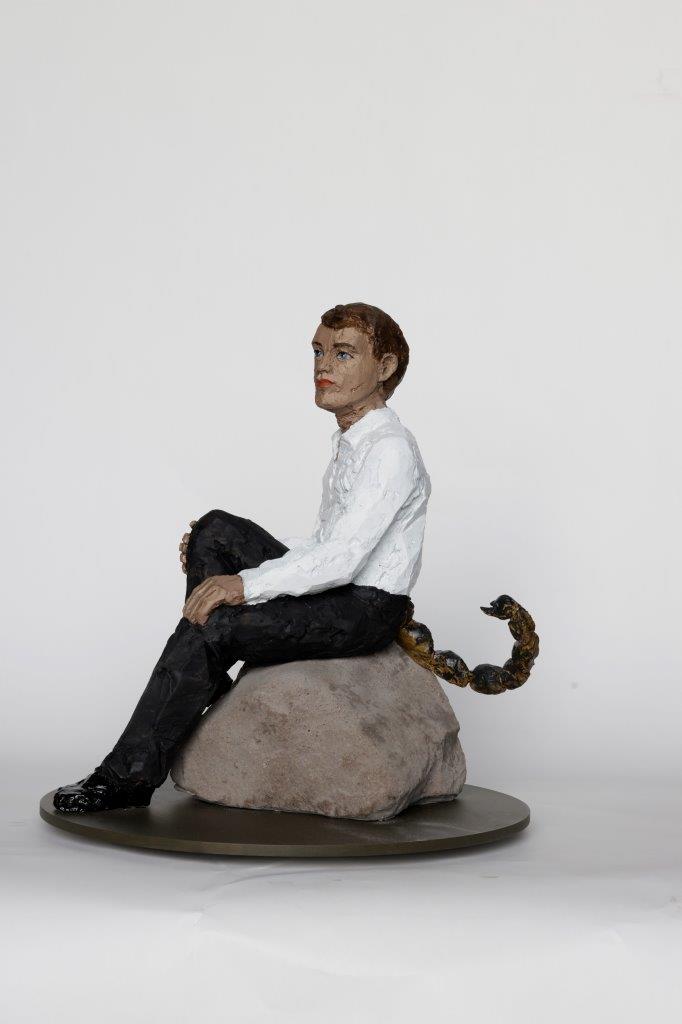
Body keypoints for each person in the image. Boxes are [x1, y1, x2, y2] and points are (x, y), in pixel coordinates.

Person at [53, 302, 432, 813]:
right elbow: (327, 541)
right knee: (214, 531)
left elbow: (343, 558)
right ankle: (205, 673)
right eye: (318, 352)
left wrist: (245, 584)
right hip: (343, 585)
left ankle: (129, 776)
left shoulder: (389, 448)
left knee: (213, 625)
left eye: (343, 354)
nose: (323, 366)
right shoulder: (352, 439)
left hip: (364, 609)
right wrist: (238, 572)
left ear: (384, 367)